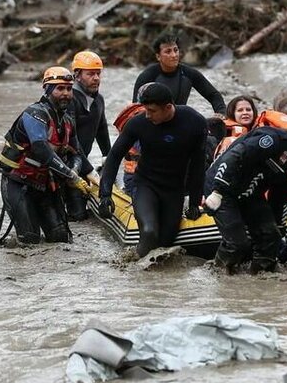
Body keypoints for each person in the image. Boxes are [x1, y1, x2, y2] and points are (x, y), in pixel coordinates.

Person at [204, 115, 287, 274]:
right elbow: (235, 156)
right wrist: (218, 190)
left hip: (250, 193)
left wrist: (280, 230)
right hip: (222, 187)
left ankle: (258, 278)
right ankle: (217, 275)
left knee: (271, 238)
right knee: (237, 244)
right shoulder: (274, 140)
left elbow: (281, 195)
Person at [98, 83, 208, 257]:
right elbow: (114, 156)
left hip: (174, 189)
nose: (147, 115)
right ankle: (136, 275)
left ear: (168, 107)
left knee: (165, 243)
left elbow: (197, 165)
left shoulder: (195, 122)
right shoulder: (138, 123)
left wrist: (194, 202)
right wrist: (105, 194)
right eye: (145, 110)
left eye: (152, 111)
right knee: (149, 232)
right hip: (145, 184)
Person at [0, 67, 89, 244]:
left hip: (46, 186)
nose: (66, 94)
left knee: (61, 239)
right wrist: (71, 175)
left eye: (69, 89)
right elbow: (40, 149)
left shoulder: (68, 121)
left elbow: (77, 154)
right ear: (47, 90)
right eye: (60, 89)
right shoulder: (34, 114)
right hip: (19, 183)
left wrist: (75, 172)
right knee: (30, 240)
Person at [127, 33, 225, 193]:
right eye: (168, 51)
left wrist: (220, 113)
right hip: (155, 125)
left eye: (176, 50)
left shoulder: (188, 73)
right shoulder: (148, 76)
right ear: (158, 56)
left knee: (215, 131)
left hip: (180, 123)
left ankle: (209, 182)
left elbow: (214, 95)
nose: (174, 55)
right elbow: (137, 109)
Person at [65, 50, 111, 221]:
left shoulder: (99, 100)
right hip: (65, 163)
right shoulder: (69, 100)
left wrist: (109, 158)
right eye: (90, 74)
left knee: (83, 214)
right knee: (77, 215)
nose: (96, 78)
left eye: (98, 73)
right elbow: (71, 139)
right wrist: (89, 170)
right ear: (77, 75)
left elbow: (102, 130)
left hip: (81, 161)